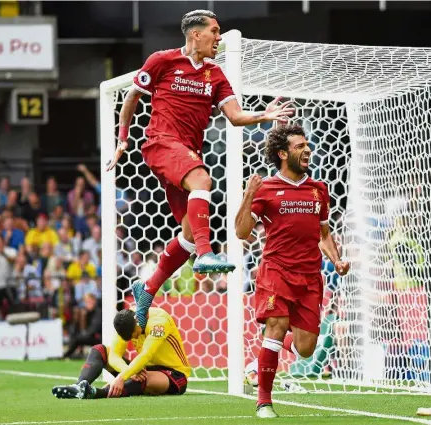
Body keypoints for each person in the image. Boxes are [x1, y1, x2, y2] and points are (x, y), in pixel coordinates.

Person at [106, 9, 295, 331]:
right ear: (196, 34)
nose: (219, 39)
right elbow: (133, 96)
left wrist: (264, 115)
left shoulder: (215, 75)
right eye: (215, 31)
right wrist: (122, 141)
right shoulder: (162, 60)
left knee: (191, 233)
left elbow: (235, 116)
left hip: (187, 153)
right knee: (203, 179)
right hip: (161, 143)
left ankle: (147, 287)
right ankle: (207, 254)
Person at [235, 124, 350, 418]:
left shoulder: (319, 190)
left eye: (307, 145)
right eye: (300, 146)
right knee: (275, 325)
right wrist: (248, 196)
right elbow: (241, 232)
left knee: (306, 348)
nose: (307, 150)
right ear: (283, 154)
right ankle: (263, 402)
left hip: (310, 277)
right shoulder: (267, 189)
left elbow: (324, 234)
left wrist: (336, 260)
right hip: (276, 271)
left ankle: (261, 358)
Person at [53, 304, 190, 399]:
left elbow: (146, 354)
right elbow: (113, 355)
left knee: (143, 377)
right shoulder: (126, 319)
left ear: (138, 324)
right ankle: (79, 387)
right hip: (145, 368)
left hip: (174, 374)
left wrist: (121, 377)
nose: (134, 338)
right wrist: (128, 371)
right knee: (100, 350)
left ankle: (96, 393)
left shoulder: (158, 323)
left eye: (133, 335)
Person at [63, 293, 102, 359]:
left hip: (98, 338)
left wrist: (83, 335)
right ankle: (70, 354)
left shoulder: (98, 312)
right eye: (86, 302)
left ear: (94, 301)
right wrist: (81, 318)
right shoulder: (85, 312)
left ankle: (66, 356)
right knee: (74, 336)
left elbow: (94, 329)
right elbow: (77, 327)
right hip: (88, 335)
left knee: (77, 339)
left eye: (89, 301)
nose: (88, 304)